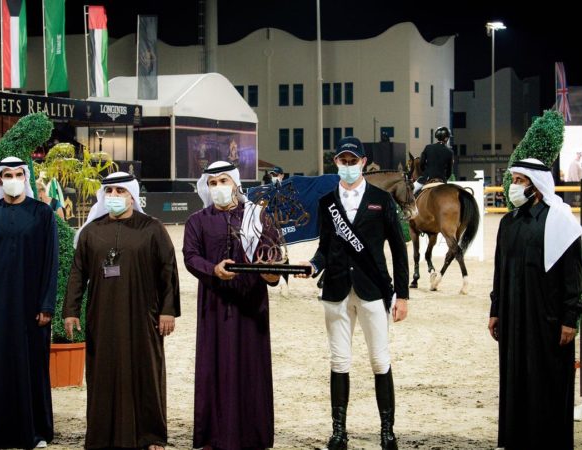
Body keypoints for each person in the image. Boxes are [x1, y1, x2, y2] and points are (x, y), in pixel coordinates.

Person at [298, 136, 409, 450]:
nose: (348, 166)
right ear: (336, 163)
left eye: (353, 161)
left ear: (363, 162)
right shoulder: (326, 203)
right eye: (342, 161)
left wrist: (403, 295)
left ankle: (387, 432)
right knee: (339, 362)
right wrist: (313, 265)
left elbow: (399, 252)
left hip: (373, 289)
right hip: (336, 291)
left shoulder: (382, 200)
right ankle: (338, 432)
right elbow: (324, 249)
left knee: (379, 361)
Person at [65, 172, 180, 450]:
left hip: (145, 317)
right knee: (103, 374)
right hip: (101, 317)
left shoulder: (151, 228)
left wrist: (168, 311)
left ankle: (150, 435)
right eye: (110, 191)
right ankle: (102, 436)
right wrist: (71, 311)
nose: (114, 196)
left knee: (147, 373)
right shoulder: (91, 232)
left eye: (120, 191)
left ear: (132, 195)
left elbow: (168, 269)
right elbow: (77, 273)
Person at [184, 161, 281, 450]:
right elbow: (190, 256)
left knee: (251, 367)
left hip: (251, 307)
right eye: (212, 184)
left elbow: (272, 259)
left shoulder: (258, 216)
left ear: (236, 183)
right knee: (214, 367)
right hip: (214, 305)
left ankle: (252, 435)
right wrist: (213, 269)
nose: (218, 188)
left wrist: (271, 272)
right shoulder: (197, 221)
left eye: (223, 182)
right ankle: (214, 436)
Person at [488, 158, 582, 449]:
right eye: (513, 180)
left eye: (519, 180)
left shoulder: (561, 222)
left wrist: (570, 318)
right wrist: (495, 311)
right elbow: (499, 270)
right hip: (513, 317)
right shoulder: (508, 221)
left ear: (536, 186)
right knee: (515, 377)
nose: (513, 186)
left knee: (547, 380)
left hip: (548, 319)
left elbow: (572, 276)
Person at [0, 156, 58, 449]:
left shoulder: (42, 214)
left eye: (18, 173)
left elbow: (50, 262)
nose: (13, 179)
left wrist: (46, 305)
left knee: (32, 367)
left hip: (32, 309)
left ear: (26, 177)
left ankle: (36, 432)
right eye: (7, 174)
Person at [414, 127, 454, 194]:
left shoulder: (428, 147)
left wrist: (426, 172)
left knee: (410, 194)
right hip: (442, 180)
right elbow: (449, 172)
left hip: (427, 178)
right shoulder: (450, 152)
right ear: (446, 138)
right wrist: (444, 179)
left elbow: (421, 164)